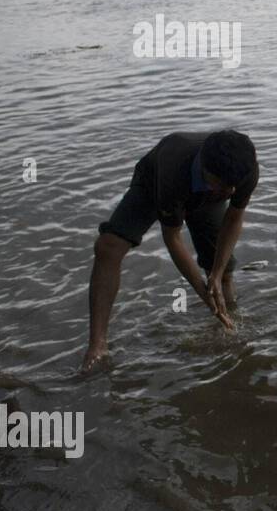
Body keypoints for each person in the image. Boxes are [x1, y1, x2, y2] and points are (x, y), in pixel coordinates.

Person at [82, 130, 258, 369]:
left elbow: (234, 218)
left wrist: (215, 274)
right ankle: (97, 346)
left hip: (207, 195)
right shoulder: (174, 166)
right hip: (155, 184)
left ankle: (230, 330)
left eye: (234, 187)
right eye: (225, 187)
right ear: (205, 169)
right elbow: (172, 236)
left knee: (224, 272)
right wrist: (202, 290)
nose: (232, 193)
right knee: (108, 247)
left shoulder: (242, 172)